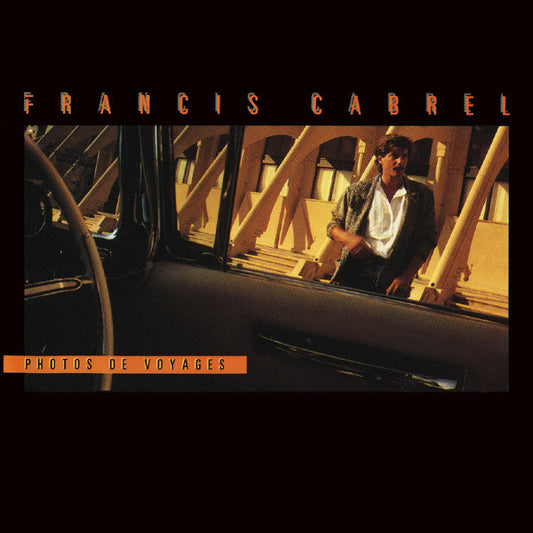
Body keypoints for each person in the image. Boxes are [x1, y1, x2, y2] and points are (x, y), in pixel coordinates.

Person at [327, 133, 437, 297]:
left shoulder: (421, 196)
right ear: (380, 159)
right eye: (394, 156)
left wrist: (407, 276)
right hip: (355, 270)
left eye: (404, 156)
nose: (400, 161)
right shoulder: (357, 192)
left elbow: (426, 240)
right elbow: (333, 226)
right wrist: (348, 238)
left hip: (392, 278)